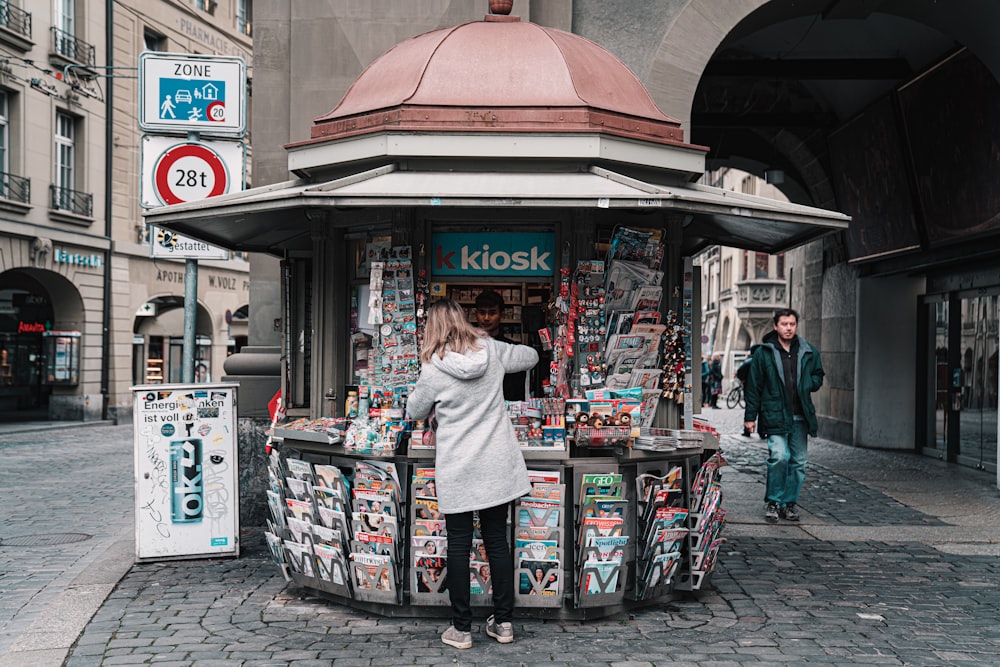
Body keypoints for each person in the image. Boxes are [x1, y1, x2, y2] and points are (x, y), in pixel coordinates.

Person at [407, 297, 537, 649]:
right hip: (496, 465)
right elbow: (532, 357)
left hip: (459, 467)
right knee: (497, 542)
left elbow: (413, 409)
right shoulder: (491, 350)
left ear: (432, 328)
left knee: (459, 547)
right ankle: (504, 624)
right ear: (463, 320)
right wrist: (491, 343)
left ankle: (461, 629)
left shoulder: (433, 368)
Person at [743, 308, 825, 524]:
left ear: (796, 326)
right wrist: (750, 417)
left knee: (799, 462)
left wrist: (809, 383)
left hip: (800, 417)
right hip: (774, 415)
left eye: (792, 324)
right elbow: (754, 386)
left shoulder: (808, 351)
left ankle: (789, 504)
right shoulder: (764, 353)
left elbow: (818, 374)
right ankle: (773, 501)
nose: (788, 328)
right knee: (779, 457)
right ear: (775, 326)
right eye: (784, 324)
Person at [475, 290, 529, 400]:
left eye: (492, 313)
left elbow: (518, 392)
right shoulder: (467, 347)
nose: (486, 318)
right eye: (482, 312)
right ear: (476, 314)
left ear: (502, 316)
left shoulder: (512, 349)